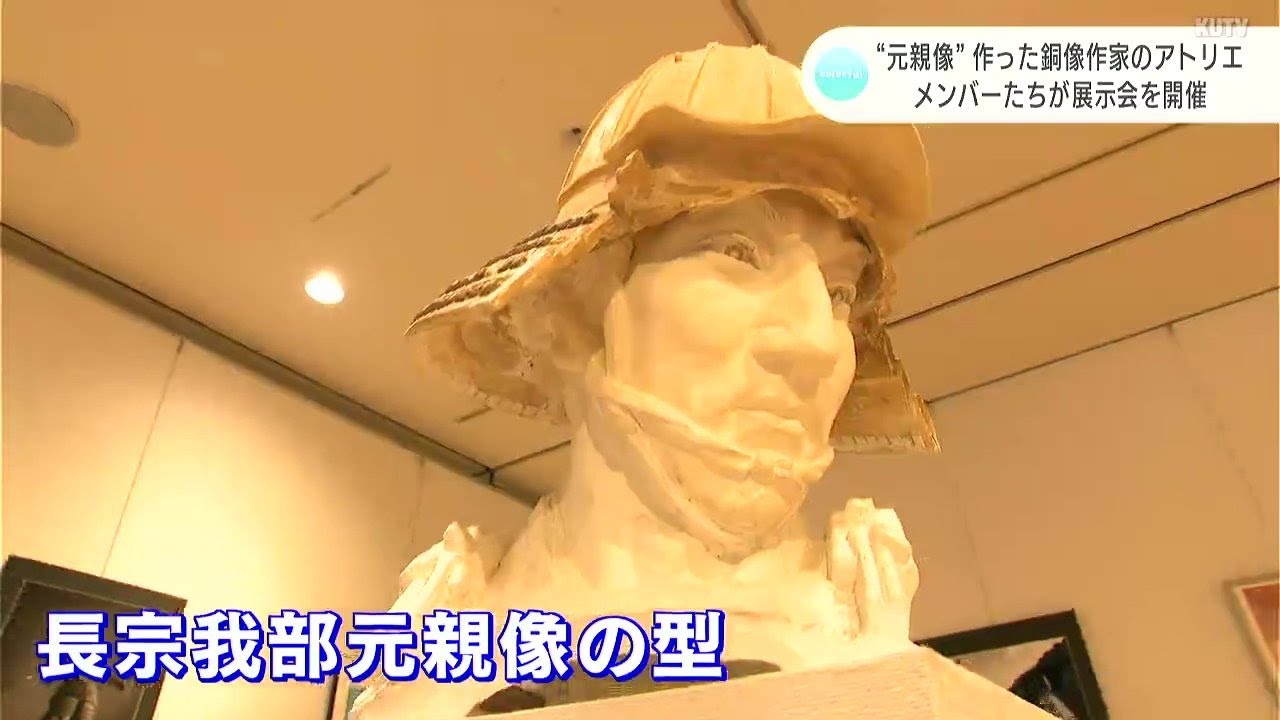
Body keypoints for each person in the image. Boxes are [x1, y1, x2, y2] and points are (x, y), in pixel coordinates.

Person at [353, 43, 939, 719]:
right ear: (570, 313)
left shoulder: (853, 635)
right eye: (737, 252)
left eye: (839, 293)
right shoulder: (450, 627)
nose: (814, 342)